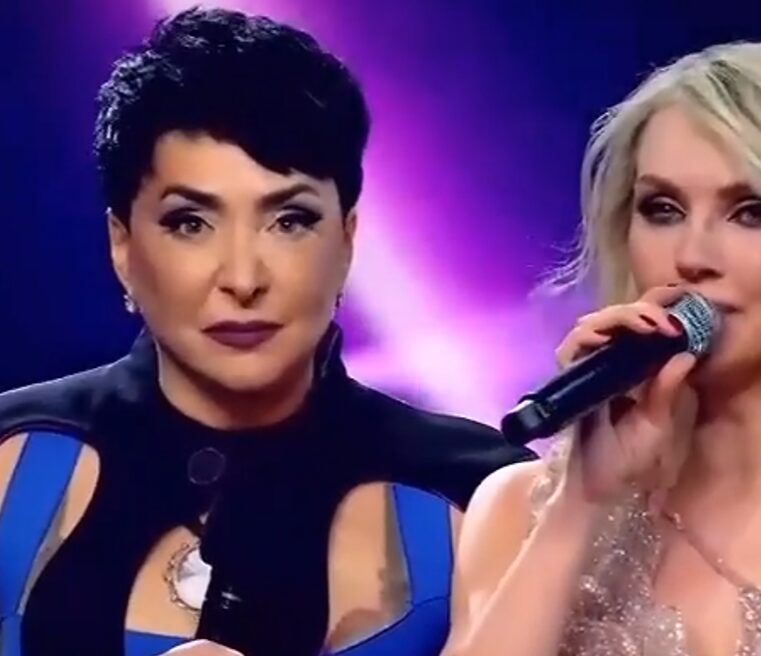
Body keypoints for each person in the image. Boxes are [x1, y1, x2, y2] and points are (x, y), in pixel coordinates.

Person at [0, 8, 534, 656]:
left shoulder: (483, 492)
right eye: (191, 223)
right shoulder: (11, 451)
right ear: (122, 245)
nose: (243, 278)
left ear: (347, 240)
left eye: (289, 221)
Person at [442, 41, 761, 656]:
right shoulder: (514, 511)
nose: (692, 256)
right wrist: (576, 507)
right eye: (662, 210)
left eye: (752, 212)